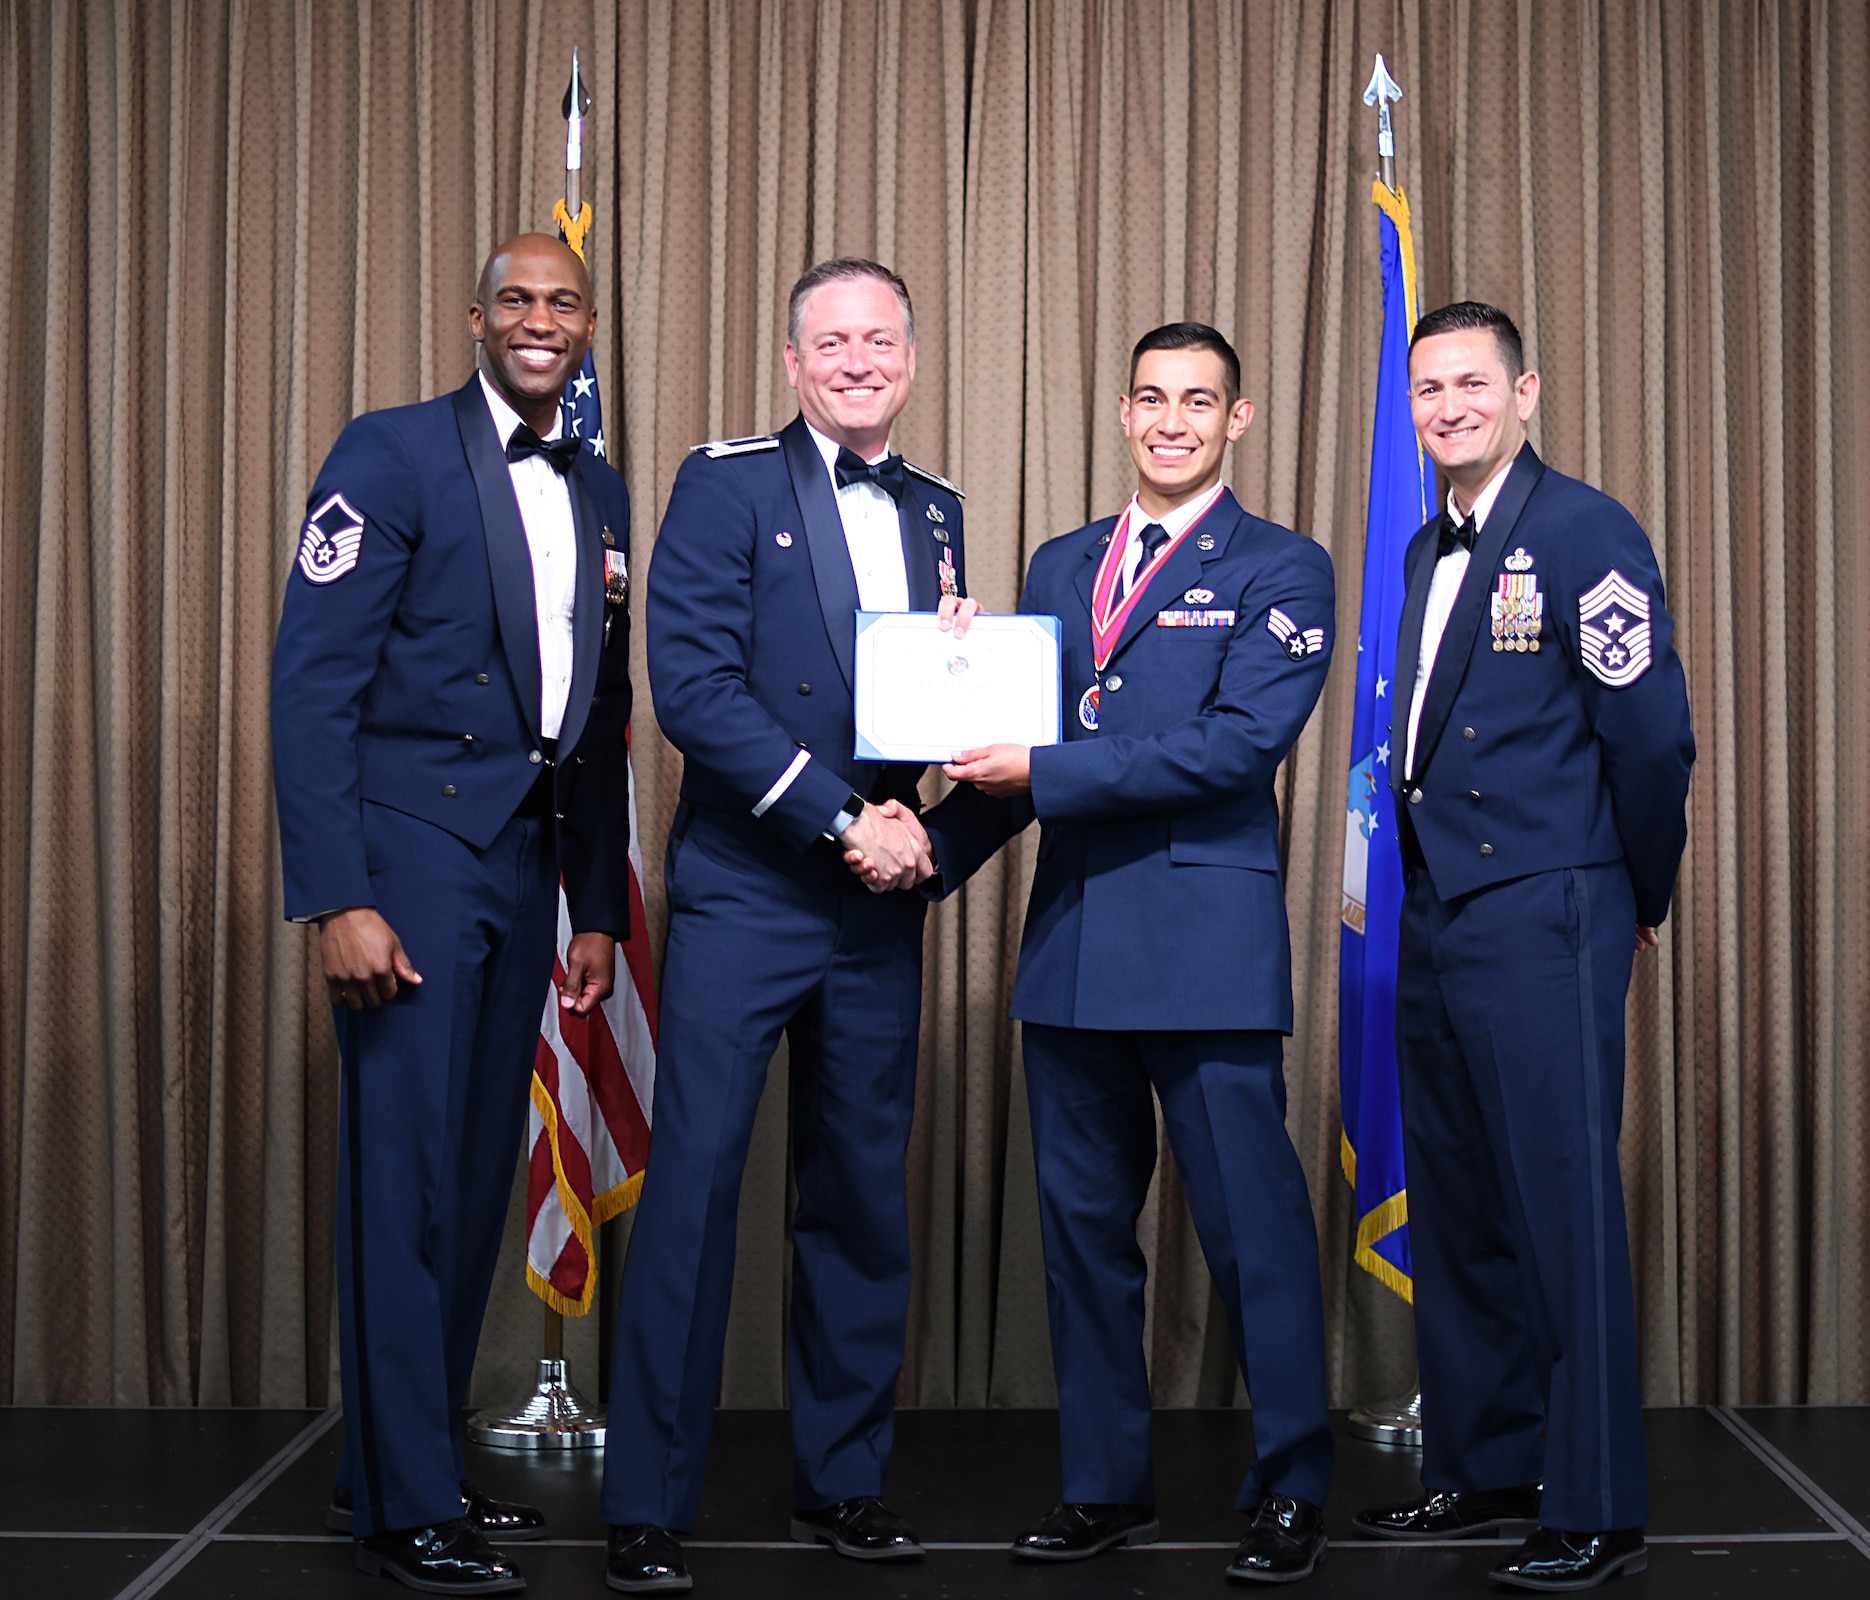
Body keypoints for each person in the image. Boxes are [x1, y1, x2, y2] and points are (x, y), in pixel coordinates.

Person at [873, 323, 1339, 1585]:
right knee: (1082, 1238)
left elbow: (1232, 750)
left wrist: (1041, 766)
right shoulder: (1060, 563)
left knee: (1253, 1234)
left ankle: (1293, 1481)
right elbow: (1016, 761)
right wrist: (913, 853)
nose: (1171, 420)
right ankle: (1103, 1487)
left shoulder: (1283, 570)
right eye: (1150, 398)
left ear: (1237, 420)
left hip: (1205, 948)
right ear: (1122, 412)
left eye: (1199, 401)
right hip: (1074, 947)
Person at [599, 258, 979, 1594]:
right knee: (695, 1189)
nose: (859, 359)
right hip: (753, 891)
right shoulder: (725, 483)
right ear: (792, 358)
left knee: (862, 1199)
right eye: (834, 340)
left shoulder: (938, 510)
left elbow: (914, 706)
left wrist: (952, 724)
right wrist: (843, 818)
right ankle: (644, 1498)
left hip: (875, 905)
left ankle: (847, 1479)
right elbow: (695, 689)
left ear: (912, 359)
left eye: (881, 339)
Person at [270, 233, 634, 1594]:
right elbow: (311, 684)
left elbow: (602, 712)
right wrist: (337, 898)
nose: (541, 320)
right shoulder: (392, 450)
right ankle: (407, 1504)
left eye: (564, 302)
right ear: (475, 316)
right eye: (518, 300)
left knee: (477, 1179)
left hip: (528, 866)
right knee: (403, 1180)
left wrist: (594, 902)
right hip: (410, 861)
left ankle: (395, 1466)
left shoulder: (597, 479)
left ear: (587, 324)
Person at [1351, 302, 1695, 1592]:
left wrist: (1634, 890)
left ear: (1525, 391)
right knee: (1459, 1202)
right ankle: (1485, 1463)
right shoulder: (1420, 550)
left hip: (1548, 908)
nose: (1447, 406)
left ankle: (1596, 1504)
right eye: (1427, 388)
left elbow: (1650, 738)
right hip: (1440, 916)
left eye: (1471, 384)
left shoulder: (1581, 529)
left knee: (1557, 1205)